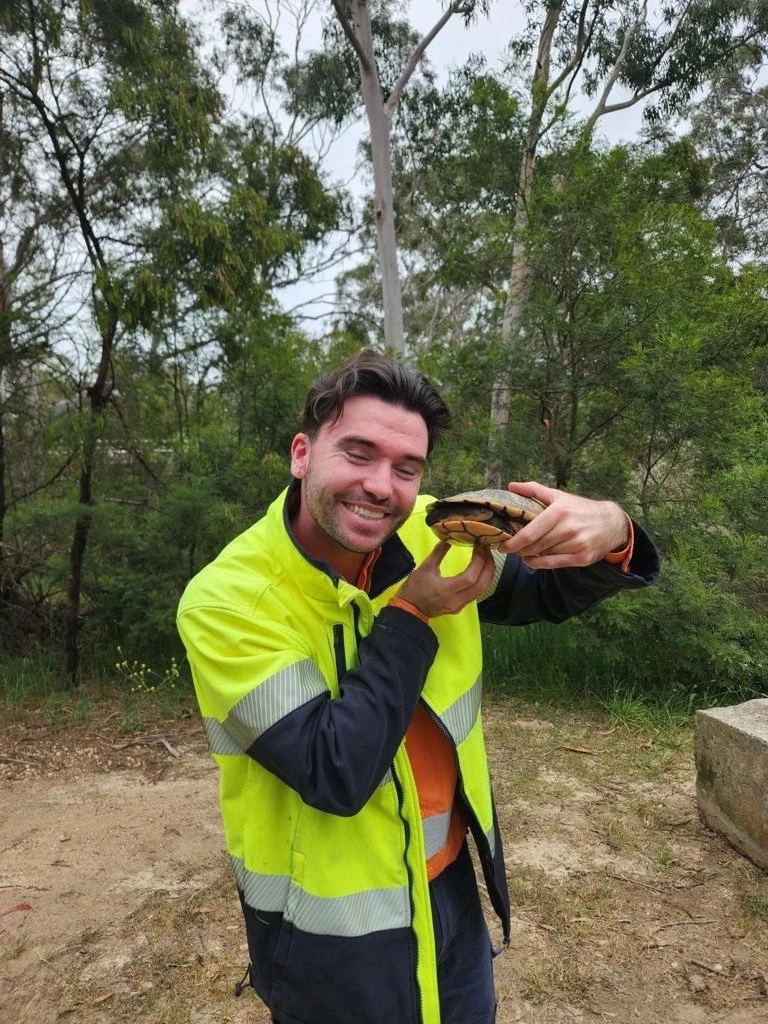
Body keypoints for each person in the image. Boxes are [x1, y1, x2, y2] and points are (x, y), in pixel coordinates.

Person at [177, 349, 659, 1024]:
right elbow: (332, 769)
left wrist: (612, 529)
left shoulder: (433, 530)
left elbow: (545, 591)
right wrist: (413, 613)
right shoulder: (228, 601)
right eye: (359, 453)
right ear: (301, 453)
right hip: (328, 940)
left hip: (449, 892)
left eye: (407, 468)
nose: (383, 486)